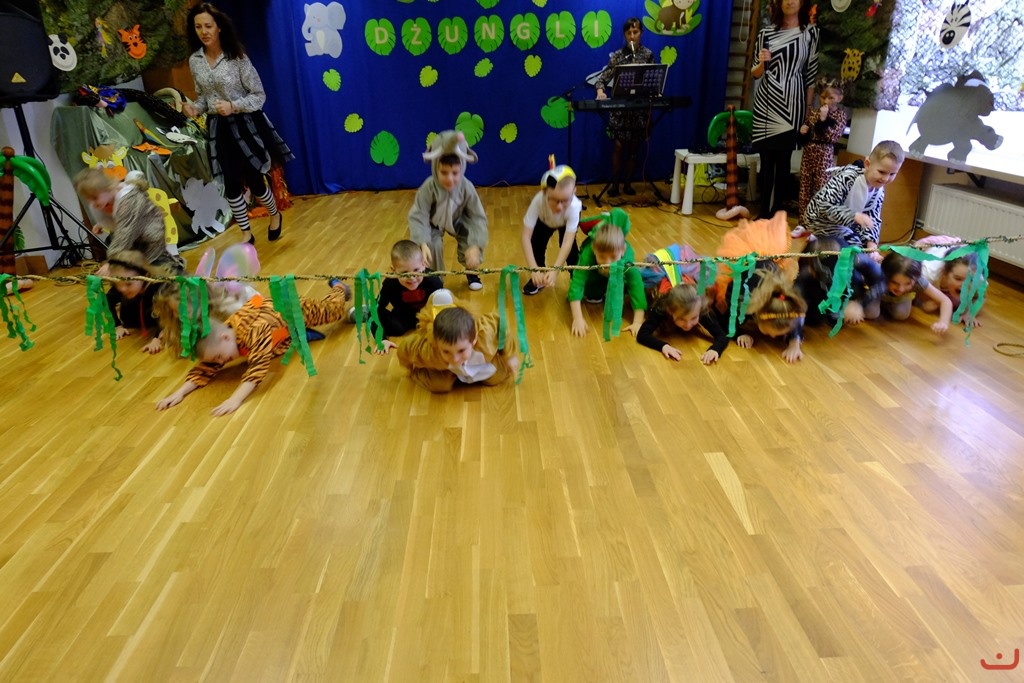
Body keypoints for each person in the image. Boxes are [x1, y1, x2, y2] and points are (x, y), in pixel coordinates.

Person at [182, 2, 293, 245]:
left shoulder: (237, 57)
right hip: (218, 128)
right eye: (198, 27)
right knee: (230, 183)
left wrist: (233, 106)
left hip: (245, 124)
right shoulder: (195, 60)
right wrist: (194, 108)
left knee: (254, 179)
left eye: (208, 26)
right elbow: (203, 98)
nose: (204, 31)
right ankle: (246, 233)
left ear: (219, 27)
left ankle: (274, 214)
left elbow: (259, 95)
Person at [156, 281, 351, 416]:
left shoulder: (255, 332)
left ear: (225, 337)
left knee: (333, 311)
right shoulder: (222, 340)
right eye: (217, 360)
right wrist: (179, 393)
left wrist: (235, 399)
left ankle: (339, 288)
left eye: (219, 357)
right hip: (275, 325)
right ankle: (298, 335)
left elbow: (257, 369)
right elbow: (205, 368)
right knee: (269, 347)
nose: (221, 362)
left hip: (293, 309)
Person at [750, 0, 818, 218]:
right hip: (766, 103)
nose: (790, 1)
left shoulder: (810, 33)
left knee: (783, 161)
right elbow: (755, 73)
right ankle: (763, 213)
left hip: (793, 103)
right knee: (766, 161)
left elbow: (811, 75)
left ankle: (778, 212)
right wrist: (761, 63)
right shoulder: (766, 32)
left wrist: (808, 108)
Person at [713, 212, 807, 362]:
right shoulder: (740, 294)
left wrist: (794, 343)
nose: (773, 337)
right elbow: (722, 315)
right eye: (770, 333)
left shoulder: (786, 297)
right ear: (759, 315)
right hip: (748, 265)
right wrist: (738, 333)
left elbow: (797, 316)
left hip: (768, 266)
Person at [408, 130, 488, 291]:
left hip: (458, 219)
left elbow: (477, 218)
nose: (450, 179)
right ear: (435, 169)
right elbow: (419, 215)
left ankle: (472, 272)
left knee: (470, 239)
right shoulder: (428, 187)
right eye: (444, 173)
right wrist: (422, 242)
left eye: (455, 173)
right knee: (432, 245)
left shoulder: (467, 187)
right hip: (433, 223)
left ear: (462, 169)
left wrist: (475, 246)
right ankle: (436, 280)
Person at [396, 289, 520, 393]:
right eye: (446, 351)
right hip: (444, 368)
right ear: (436, 345)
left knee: (498, 376)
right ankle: (436, 304)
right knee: (439, 386)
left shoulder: (485, 335)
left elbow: (500, 325)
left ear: (474, 339)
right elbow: (405, 348)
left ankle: (449, 303)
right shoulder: (429, 350)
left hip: (477, 360)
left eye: (461, 350)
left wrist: (509, 356)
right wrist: (409, 367)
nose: (455, 359)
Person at [803, 140, 905, 265]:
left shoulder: (879, 190)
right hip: (819, 220)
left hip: (845, 223)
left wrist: (872, 246)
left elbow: (873, 219)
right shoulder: (848, 178)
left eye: (892, 174)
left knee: (864, 251)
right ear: (867, 164)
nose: (885, 178)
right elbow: (823, 206)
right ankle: (817, 243)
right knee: (854, 252)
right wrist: (854, 216)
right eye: (881, 172)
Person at [73, 168, 184, 273]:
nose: (92, 203)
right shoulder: (107, 199)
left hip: (150, 238)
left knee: (160, 271)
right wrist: (101, 224)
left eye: (94, 198)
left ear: (108, 188)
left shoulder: (129, 200)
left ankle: (177, 273)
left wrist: (112, 262)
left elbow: (124, 233)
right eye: (88, 199)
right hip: (134, 237)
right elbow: (117, 217)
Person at [593, 17, 655, 197]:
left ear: (641, 33)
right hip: (620, 110)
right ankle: (614, 184)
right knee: (619, 147)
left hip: (639, 110)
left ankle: (628, 183)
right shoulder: (619, 56)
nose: (632, 36)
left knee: (634, 149)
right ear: (624, 35)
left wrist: (654, 91)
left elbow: (653, 79)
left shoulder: (648, 55)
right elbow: (601, 79)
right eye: (629, 33)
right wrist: (600, 92)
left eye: (635, 32)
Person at [567, 208, 646, 337]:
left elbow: (636, 286)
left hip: (618, 273)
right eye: (602, 257)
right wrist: (577, 318)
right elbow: (577, 283)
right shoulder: (588, 254)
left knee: (622, 290)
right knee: (591, 293)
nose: (608, 262)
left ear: (623, 250)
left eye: (613, 257)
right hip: (593, 275)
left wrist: (637, 321)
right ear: (594, 249)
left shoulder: (627, 259)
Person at [371, 239, 445, 354]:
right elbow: (376, 308)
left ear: (424, 265)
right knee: (394, 327)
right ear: (394, 270)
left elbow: (443, 309)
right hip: (403, 317)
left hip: (428, 316)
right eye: (405, 273)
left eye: (416, 270)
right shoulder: (390, 284)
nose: (412, 277)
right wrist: (381, 339)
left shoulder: (433, 281)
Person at [520, 158, 581, 295]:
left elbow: (567, 242)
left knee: (571, 251)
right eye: (554, 200)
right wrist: (534, 269)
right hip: (544, 221)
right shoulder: (538, 201)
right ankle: (539, 277)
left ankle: (577, 280)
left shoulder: (574, 207)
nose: (559, 207)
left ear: (574, 192)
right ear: (544, 193)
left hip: (565, 222)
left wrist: (555, 270)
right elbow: (525, 237)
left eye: (564, 201)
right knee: (537, 244)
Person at [797, 76, 848, 226]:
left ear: (839, 98)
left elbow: (832, 137)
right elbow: (806, 135)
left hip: (824, 154)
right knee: (805, 187)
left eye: (830, 98)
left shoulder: (840, 116)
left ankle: (818, 223)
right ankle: (803, 222)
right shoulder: (814, 112)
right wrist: (803, 132)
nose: (826, 101)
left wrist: (823, 120)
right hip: (808, 153)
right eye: (823, 97)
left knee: (821, 188)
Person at [637, 283, 729, 365]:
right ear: (670, 311)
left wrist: (715, 349)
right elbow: (642, 334)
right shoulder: (661, 309)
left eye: (693, 318)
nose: (688, 325)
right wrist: (663, 346)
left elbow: (722, 335)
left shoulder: (701, 310)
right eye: (681, 319)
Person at [104, 250, 173, 354]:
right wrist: (117, 326)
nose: (123, 289)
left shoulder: (158, 287)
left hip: (158, 320)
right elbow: (106, 300)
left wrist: (157, 339)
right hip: (133, 321)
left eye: (128, 284)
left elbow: (168, 314)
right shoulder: (122, 286)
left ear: (145, 276)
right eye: (118, 284)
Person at [914, 234, 984, 325]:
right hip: (934, 246)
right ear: (945, 273)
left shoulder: (977, 276)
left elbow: (982, 297)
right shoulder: (928, 272)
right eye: (958, 278)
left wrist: (969, 314)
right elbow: (914, 294)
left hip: (959, 246)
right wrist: (923, 303)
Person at [879, 251, 952, 335]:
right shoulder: (878, 274)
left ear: (916, 278)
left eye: (908, 283)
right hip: (877, 295)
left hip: (895, 299)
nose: (901, 289)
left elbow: (945, 301)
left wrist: (943, 322)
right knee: (872, 313)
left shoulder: (919, 281)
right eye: (894, 282)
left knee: (901, 315)